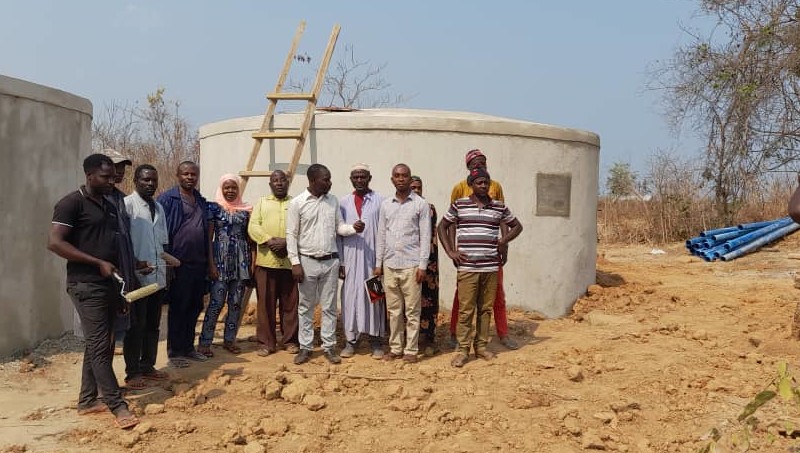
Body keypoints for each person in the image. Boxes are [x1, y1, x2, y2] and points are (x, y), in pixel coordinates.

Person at [47, 153, 139, 429]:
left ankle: (88, 400)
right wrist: (96, 262)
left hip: (109, 284)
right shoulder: (71, 203)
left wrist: (123, 283)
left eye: (113, 176)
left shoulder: (109, 205)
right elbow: (55, 243)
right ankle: (117, 406)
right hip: (85, 284)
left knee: (100, 343)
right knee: (101, 346)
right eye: (106, 177)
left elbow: (113, 247)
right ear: (89, 176)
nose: (112, 181)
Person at [438, 167, 523, 368]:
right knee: (466, 310)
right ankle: (462, 350)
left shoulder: (499, 207)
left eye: (486, 182)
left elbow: (517, 226)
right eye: (479, 183)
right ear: (471, 185)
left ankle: (482, 346)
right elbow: (442, 226)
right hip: (467, 267)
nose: (483, 186)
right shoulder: (460, 205)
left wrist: (503, 241)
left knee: (485, 309)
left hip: (491, 267)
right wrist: (451, 251)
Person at [286, 164, 363, 365]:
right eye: (325, 179)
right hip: (307, 261)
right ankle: (306, 347)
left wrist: (353, 228)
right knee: (305, 307)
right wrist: (295, 262)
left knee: (329, 307)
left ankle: (329, 347)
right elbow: (291, 234)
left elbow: (339, 227)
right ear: (312, 180)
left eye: (329, 179)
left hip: (330, 261)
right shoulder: (298, 203)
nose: (329, 183)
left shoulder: (333, 201)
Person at [374, 164, 431, 364]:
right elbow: (381, 235)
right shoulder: (386, 205)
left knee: (412, 311)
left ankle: (411, 350)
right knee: (394, 310)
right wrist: (378, 263)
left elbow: (425, 236)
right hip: (389, 265)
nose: (401, 179)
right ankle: (396, 348)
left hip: (412, 265)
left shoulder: (420, 204)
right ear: (392, 179)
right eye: (397, 176)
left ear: (409, 179)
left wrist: (422, 266)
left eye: (404, 176)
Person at [123, 164, 171, 389]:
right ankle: (132, 373)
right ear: (136, 181)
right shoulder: (128, 206)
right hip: (137, 278)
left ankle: (147, 366)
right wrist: (133, 265)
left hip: (157, 277)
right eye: (145, 180)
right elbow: (122, 244)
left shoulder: (159, 208)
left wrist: (168, 267)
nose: (150, 184)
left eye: (153, 180)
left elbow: (161, 243)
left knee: (153, 324)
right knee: (136, 326)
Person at [158, 161, 209, 367]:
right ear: (177, 175)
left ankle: (189, 348)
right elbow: (161, 232)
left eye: (193, 174)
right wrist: (167, 262)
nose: (190, 177)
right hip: (178, 264)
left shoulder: (201, 201)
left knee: (194, 307)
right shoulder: (167, 200)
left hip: (199, 263)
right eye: (186, 174)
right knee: (179, 308)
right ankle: (175, 352)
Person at [198, 174, 254, 356]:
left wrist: (250, 264)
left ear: (238, 189)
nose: (230, 191)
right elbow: (208, 238)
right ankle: (205, 342)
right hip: (220, 261)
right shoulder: (213, 208)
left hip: (240, 261)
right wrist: (211, 265)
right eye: (226, 188)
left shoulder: (246, 210)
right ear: (221, 189)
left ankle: (229, 340)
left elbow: (249, 238)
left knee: (236, 303)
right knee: (216, 302)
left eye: (233, 188)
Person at [248, 170, 299, 356]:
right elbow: (253, 226)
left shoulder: (296, 203)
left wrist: (286, 242)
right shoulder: (262, 203)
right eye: (275, 181)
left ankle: (291, 341)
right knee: (265, 306)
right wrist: (269, 240)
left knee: (290, 305)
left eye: (282, 180)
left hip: (289, 262)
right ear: (270, 184)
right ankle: (266, 343)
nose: (279, 183)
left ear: (288, 182)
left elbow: (302, 228)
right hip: (266, 262)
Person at [338, 164, 386, 359]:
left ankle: (376, 341)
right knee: (350, 300)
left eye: (362, 177)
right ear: (351, 179)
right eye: (355, 177)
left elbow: (383, 231)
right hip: (349, 260)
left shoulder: (380, 201)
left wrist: (381, 262)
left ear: (369, 178)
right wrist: (341, 262)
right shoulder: (343, 203)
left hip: (373, 261)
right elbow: (338, 234)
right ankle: (351, 341)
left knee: (375, 298)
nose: (359, 180)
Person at [410, 175, 440, 356]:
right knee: (410, 301)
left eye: (418, 188)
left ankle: (429, 338)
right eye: (413, 187)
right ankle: (411, 338)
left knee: (429, 299)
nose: (416, 191)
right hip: (409, 260)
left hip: (429, 262)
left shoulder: (429, 208)